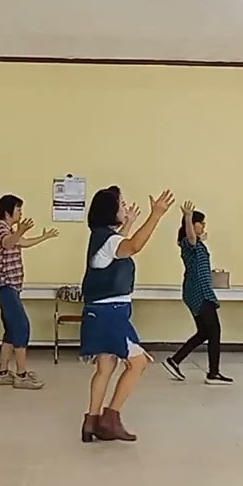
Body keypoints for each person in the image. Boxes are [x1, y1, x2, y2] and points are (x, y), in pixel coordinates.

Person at [79, 186, 174, 443]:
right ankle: (111, 418)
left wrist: (129, 223)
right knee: (138, 362)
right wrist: (156, 215)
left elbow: (118, 246)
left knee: (105, 366)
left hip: (98, 312)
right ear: (110, 212)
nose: (125, 207)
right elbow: (132, 247)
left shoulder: (101, 238)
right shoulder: (109, 241)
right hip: (111, 313)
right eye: (121, 205)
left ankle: (91, 422)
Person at [0, 194, 59, 389]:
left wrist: (44, 237)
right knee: (21, 326)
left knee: (11, 330)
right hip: (4, 285)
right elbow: (8, 243)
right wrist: (19, 231)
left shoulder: (10, 231)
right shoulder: (0, 230)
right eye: (18, 209)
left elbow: (22, 243)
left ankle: (2, 373)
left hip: (10, 287)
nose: (21, 213)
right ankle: (21, 374)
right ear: (7, 211)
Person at [163, 201, 232, 385]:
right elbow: (191, 237)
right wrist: (187, 217)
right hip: (199, 293)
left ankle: (175, 360)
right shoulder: (188, 242)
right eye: (201, 223)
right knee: (214, 330)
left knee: (204, 332)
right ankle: (214, 373)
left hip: (199, 291)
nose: (204, 226)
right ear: (193, 225)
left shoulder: (199, 245)